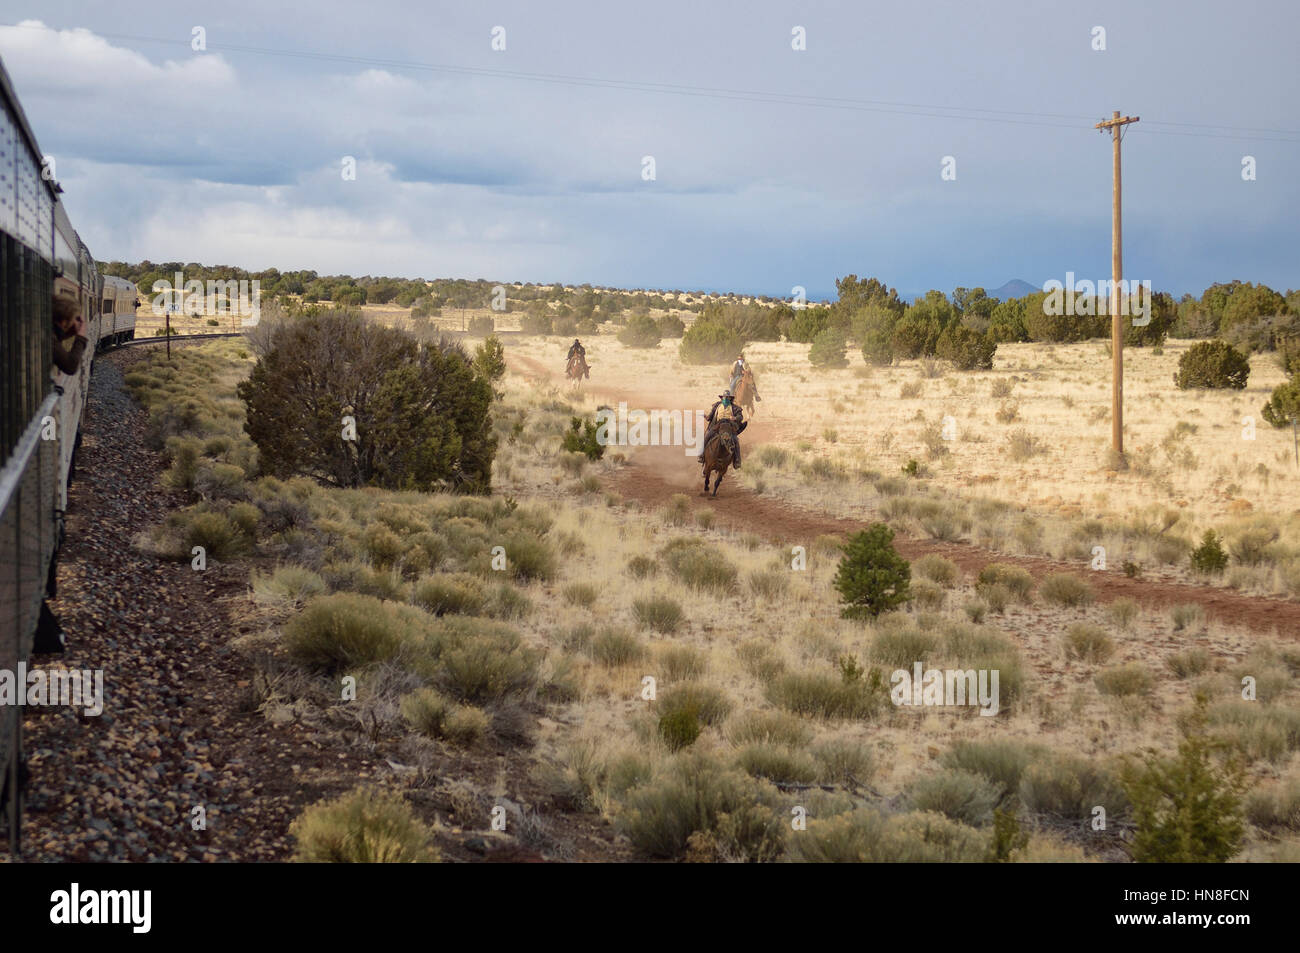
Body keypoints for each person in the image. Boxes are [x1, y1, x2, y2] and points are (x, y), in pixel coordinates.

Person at [697, 390, 747, 469]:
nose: (726, 399)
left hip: (729, 427)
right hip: (717, 426)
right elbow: (709, 417)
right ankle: (702, 455)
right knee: (707, 436)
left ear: (730, 399)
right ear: (722, 398)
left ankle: (737, 460)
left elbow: (740, 417)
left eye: (727, 397)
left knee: (735, 440)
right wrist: (705, 416)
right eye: (724, 397)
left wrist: (735, 418)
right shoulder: (717, 406)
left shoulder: (735, 408)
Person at [52, 293, 88, 375]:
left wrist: (70, 333)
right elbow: (70, 367)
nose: (75, 322)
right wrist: (81, 336)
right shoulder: (48, 338)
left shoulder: (49, 330)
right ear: (64, 320)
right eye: (74, 318)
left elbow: (57, 341)